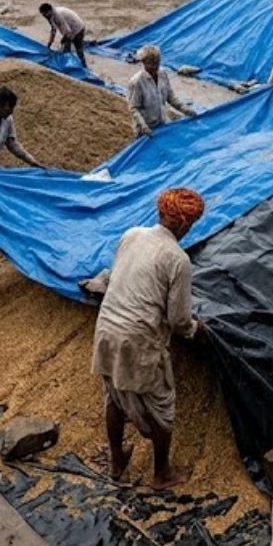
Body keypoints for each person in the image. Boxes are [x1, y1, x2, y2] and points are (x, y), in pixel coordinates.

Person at [92, 188, 208, 489]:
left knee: (114, 396)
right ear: (185, 225)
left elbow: (120, 278)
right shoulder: (178, 259)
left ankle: (117, 461)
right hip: (138, 339)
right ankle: (162, 474)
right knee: (162, 407)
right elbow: (178, 320)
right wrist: (198, 330)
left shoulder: (131, 235)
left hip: (106, 328)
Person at [128, 45, 195, 137]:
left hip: (162, 121)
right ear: (144, 62)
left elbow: (171, 98)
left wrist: (186, 110)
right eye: (151, 64)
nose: (154, 67)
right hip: (146, 127)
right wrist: (143, 126)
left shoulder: (162, 74)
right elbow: (134, 108)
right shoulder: (137, 82)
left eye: (156, 63)